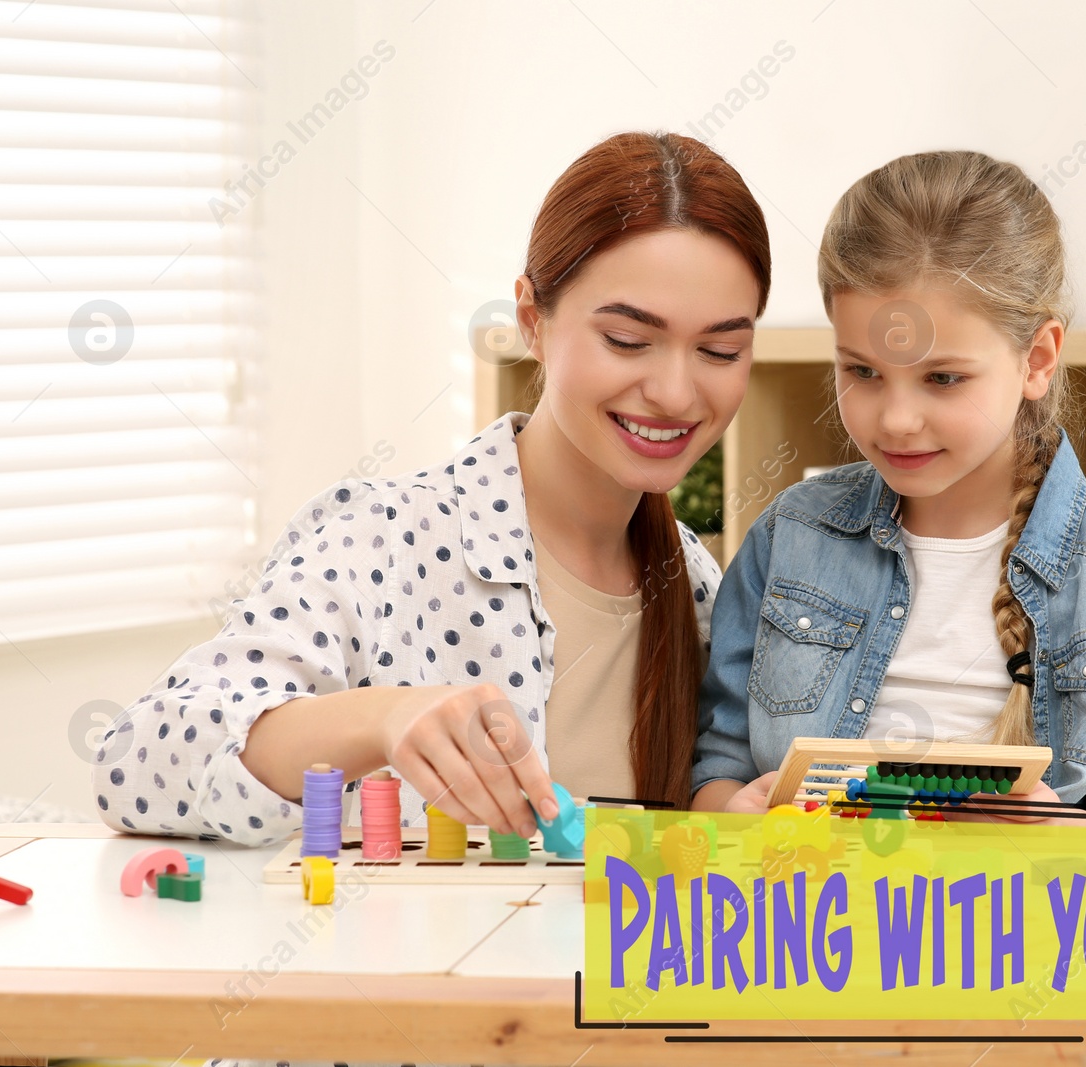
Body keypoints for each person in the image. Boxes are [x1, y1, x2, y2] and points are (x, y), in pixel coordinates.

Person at [93, 130, 771, 859]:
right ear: (532, 321)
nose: (675, 392)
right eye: (628, 340)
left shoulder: (704, 594)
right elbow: (134, 763)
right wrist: (382, 718)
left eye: (719, 351)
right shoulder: (378, 539)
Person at [691, 150, 1086, 827]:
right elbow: (716, 768)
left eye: (942, 378)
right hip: (810, 920)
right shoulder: (791, 536)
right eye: (863, 370)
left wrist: (1060, 836)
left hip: (1018, 928)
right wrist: (732, 813)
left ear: (1037, 360)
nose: (897, 419)